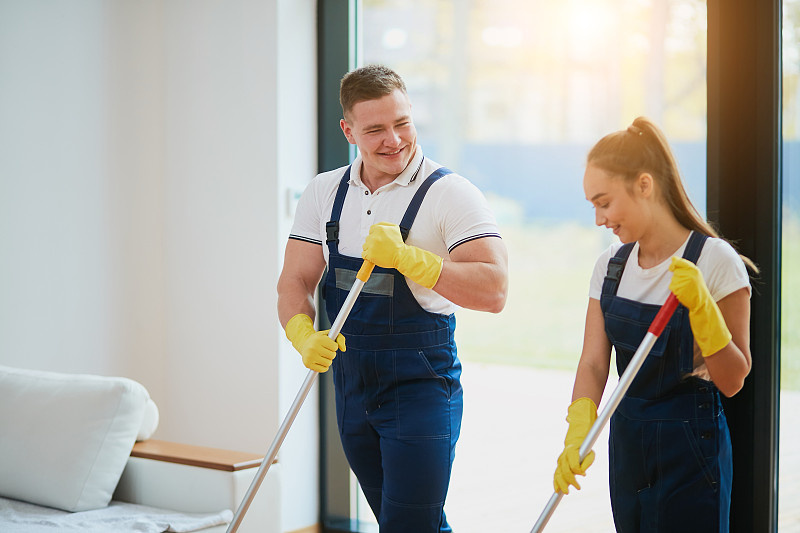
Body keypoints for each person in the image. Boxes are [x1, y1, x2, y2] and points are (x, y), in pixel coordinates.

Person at [276, 64, 508, 532]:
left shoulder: (449, 194)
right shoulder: (325, 193)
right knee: (400, 521)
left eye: (402, 123)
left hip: (420, 383)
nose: (394, 140)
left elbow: (494, 289)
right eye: (376, 129)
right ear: (348, 130)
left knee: (409, 525)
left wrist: (412, 260)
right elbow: (294, 281)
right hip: (353, 385)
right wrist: (301, 333)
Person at [551, 116, 754, 532]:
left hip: (692, 448)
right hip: (628, 443)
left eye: (604, 202)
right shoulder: (610, 267)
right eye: (593, 205)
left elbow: (733, 380)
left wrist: (703, 310)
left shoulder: (714, 262)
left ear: (644, 185)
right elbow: (593, 363)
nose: (599, 219)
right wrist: (579, 427)